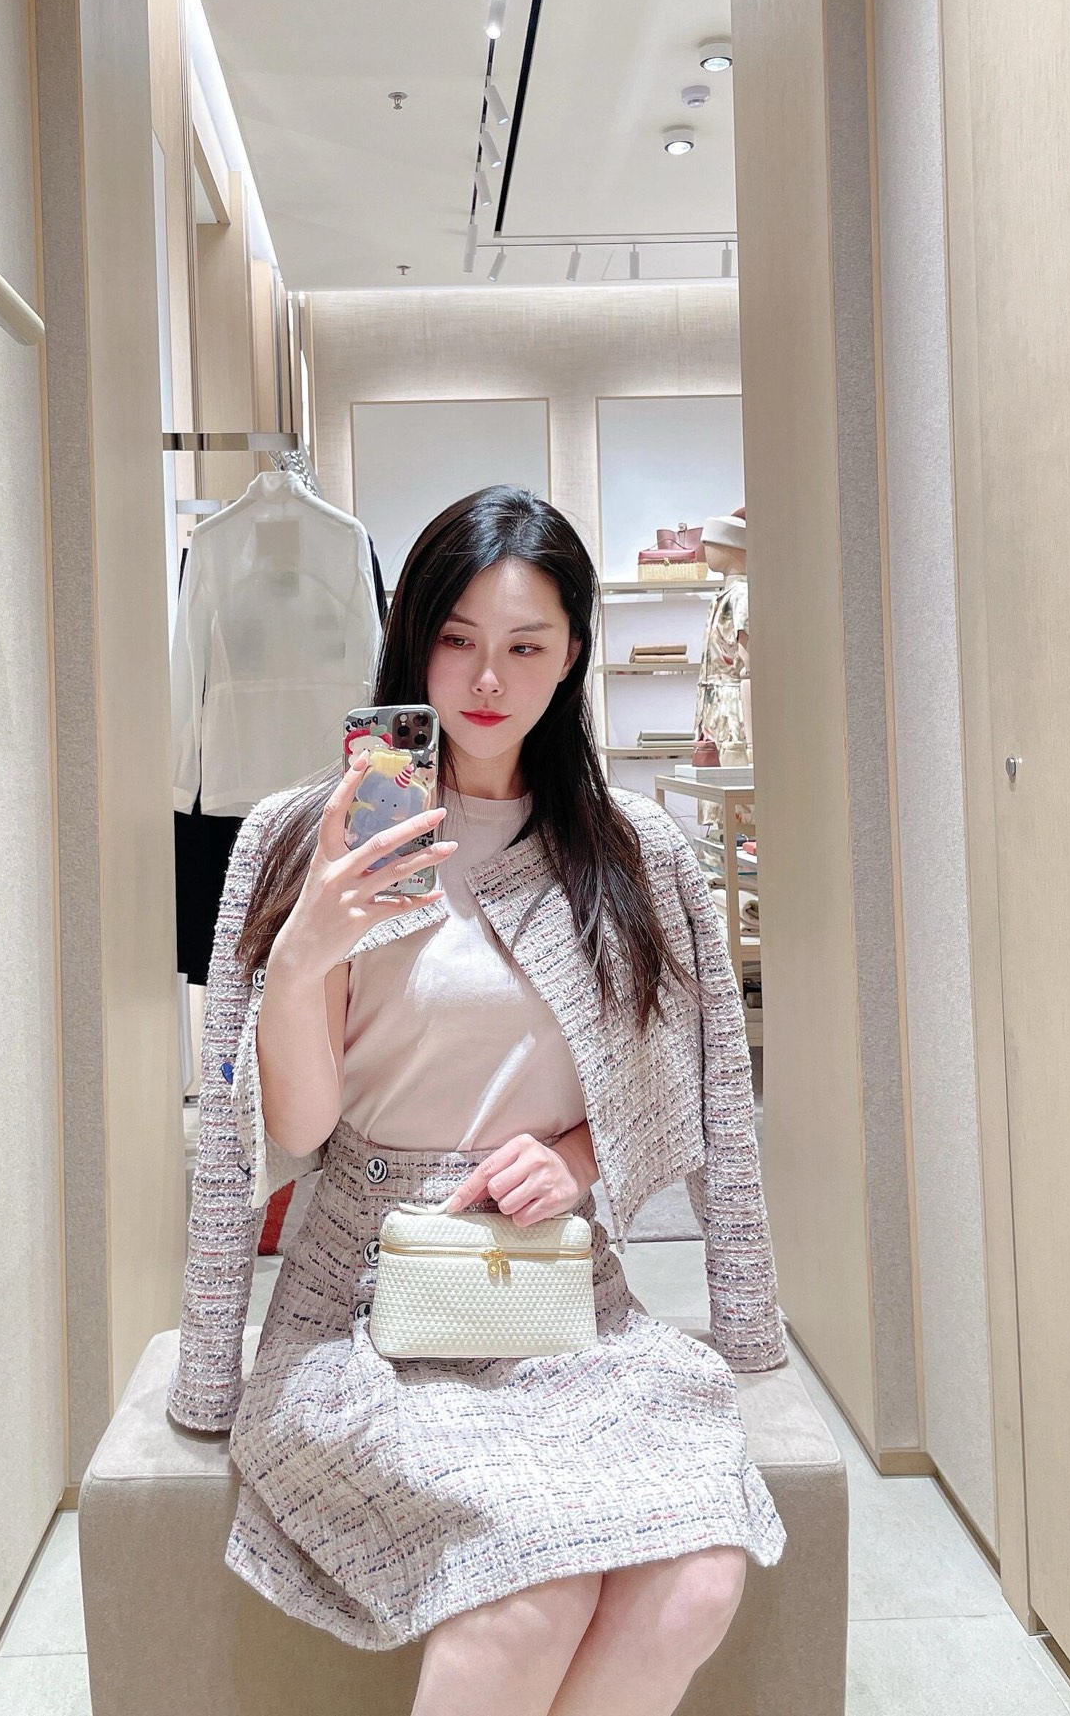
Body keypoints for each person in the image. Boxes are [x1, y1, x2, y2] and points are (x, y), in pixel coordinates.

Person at [167, 485, 788, 1716]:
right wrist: (305, 949)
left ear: (573, 656)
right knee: (529, 1589)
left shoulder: (630, 851)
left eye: (526, 644)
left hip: (559, 1295)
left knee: (699, 1579)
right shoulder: (304, 833)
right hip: (362, 1316)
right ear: (412, 638)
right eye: (457, 638)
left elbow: (684, 1075)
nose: (488, 678)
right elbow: (295, 1128)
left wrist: (580, 1156)